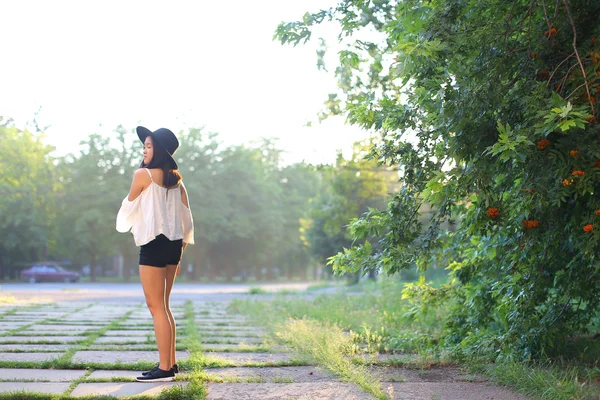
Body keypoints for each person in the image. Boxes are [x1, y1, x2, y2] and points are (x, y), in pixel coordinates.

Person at [116, 126, 194, 382]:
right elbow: (186, 221)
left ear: (159, 150)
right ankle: (170, 364)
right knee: (165, 306)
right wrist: (180, 253)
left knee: (155, 306)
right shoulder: (177, 181)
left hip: (152, 244)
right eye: (144, 146)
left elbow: (127, 209)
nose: (144, 150)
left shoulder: (143, 175)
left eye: (149, 146)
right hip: (173, 247)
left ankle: (163, 369)